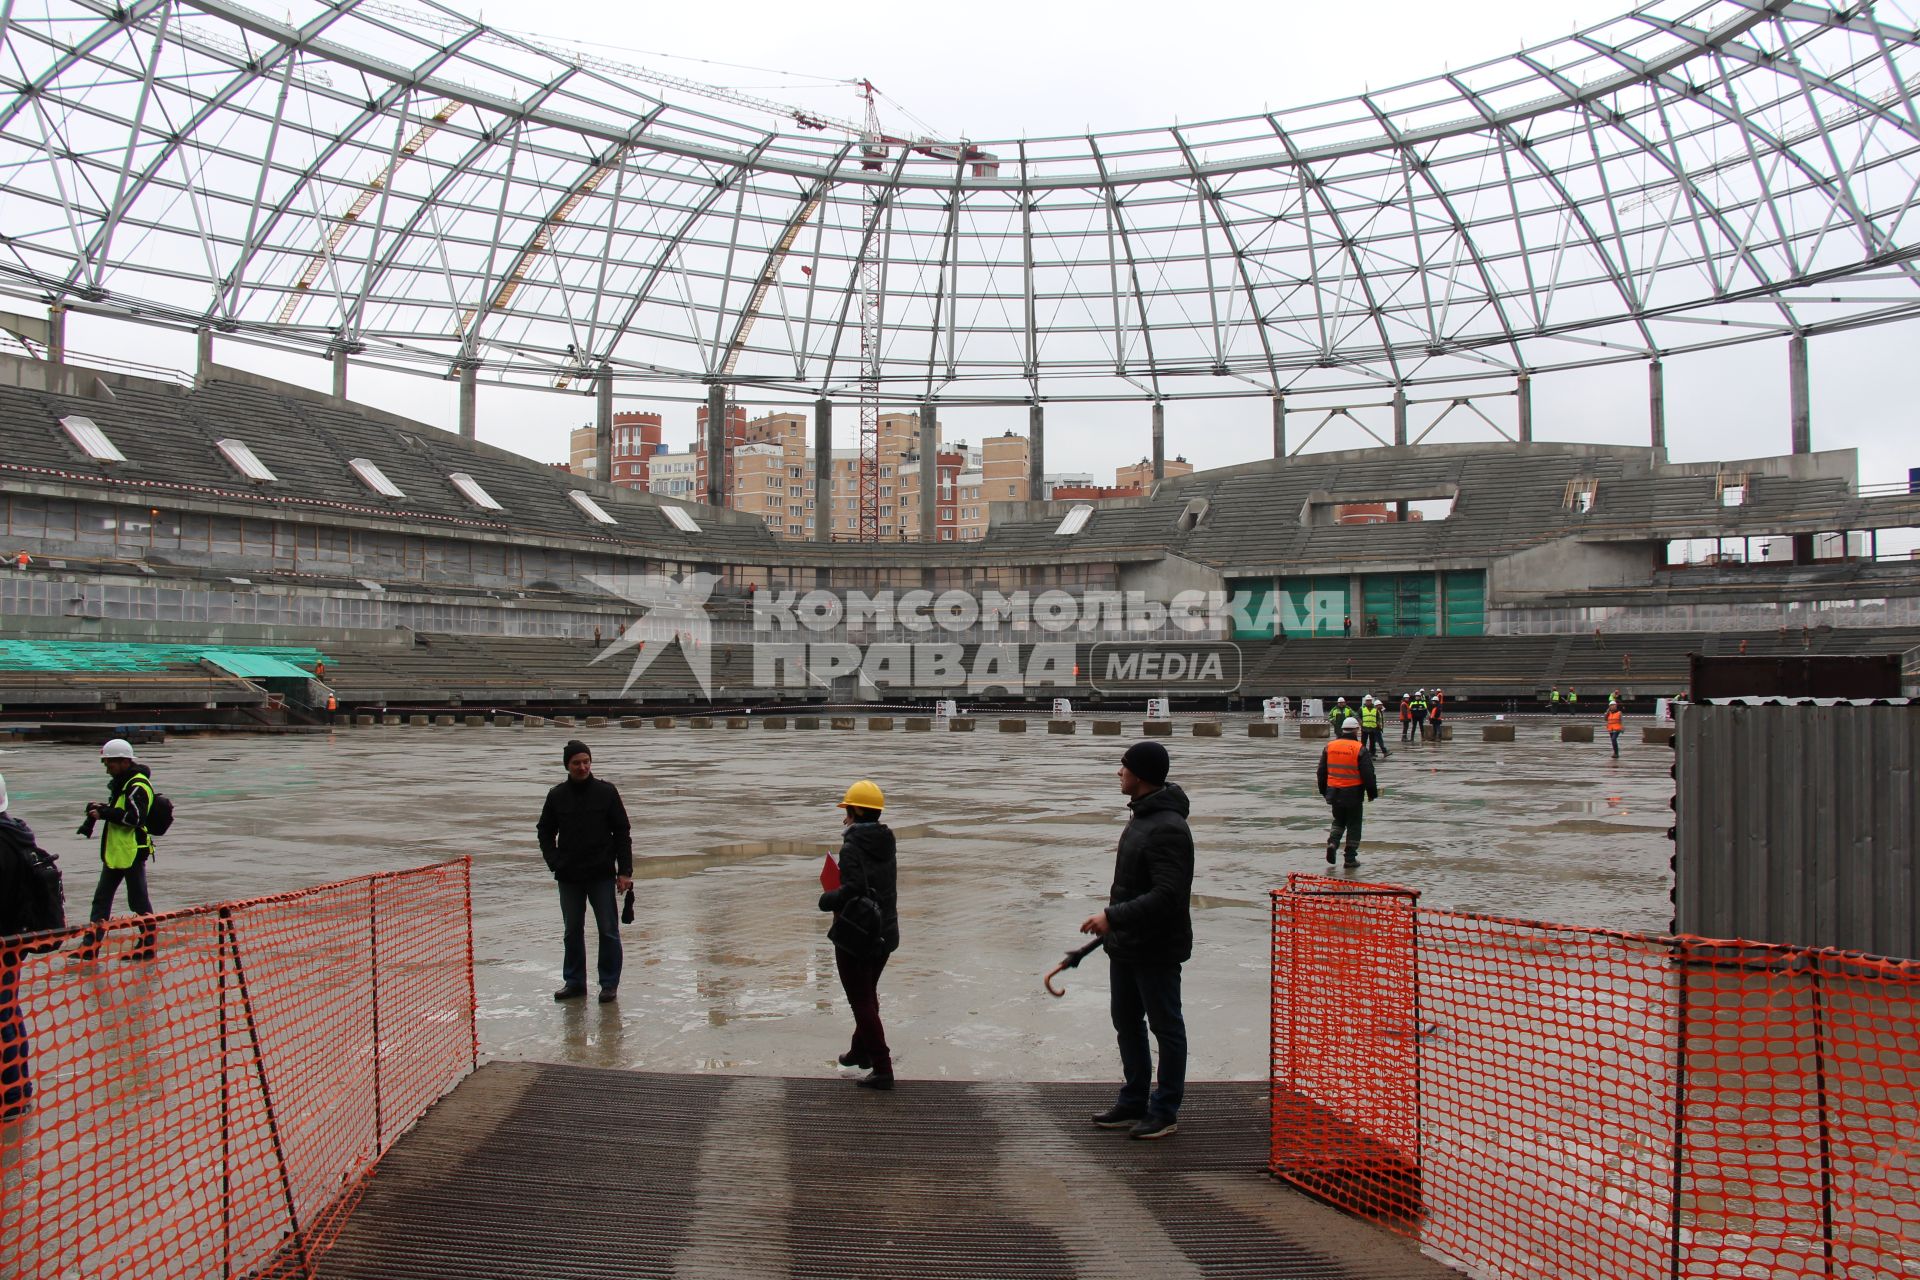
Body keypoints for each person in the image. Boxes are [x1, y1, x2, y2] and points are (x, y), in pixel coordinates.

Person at [1084, 741, 1192, 1141]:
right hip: (1127, 944)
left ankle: (1164, 1110)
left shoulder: (1167, 827)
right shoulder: (1142, 818)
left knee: (1166, 1027)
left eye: (1124, 766)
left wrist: (1111, 917)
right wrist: (1115, 924)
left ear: (1141, 775)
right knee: (1126, 1022)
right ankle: (1133, 1101)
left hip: (1156, 947)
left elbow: (1169, 895)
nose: (1118, 772)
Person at [817, 779, 900, 1091]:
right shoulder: (886, 842)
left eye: (847, 811)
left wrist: (828, 899)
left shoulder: (852, 847)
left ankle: (882, 1067)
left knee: (861, 1000)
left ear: (854, 811)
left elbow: (853, 890)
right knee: (867, 994)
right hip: (886, 933)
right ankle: (860, 1051)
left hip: (858, 935)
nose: (844, 817)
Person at [537, 740, 632, 1004]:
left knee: (608, 930)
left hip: (601, 874)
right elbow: (544, 831)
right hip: (569, 876)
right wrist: (554, 860)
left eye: (586, 762)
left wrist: (625, 871)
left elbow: (622, 832)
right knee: (572, 931)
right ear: (567, 766)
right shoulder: (556, 796)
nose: (582, 767)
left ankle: (609, 984)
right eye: (576, 763)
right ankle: (575, 982)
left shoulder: (607, 792)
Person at [71, 739, 157, 961]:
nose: (106, 767)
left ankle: (148, 945)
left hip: (132, 851)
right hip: (116, 852)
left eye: (109, 762)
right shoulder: (123, 783)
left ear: (124, 761)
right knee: (101, 900)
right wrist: (103, 808)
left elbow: (135, 818)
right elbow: (121, 811)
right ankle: (90, 946)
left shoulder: (137, 785)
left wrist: (105, 813)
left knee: (138, 901)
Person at [1, 772, 45, 1120]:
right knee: (9, 1012)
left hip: (3, 940)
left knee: (4, 1016)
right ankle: (18, 1091)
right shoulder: (17, 834)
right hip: (14, 940)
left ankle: (11, 1095)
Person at [1317, 718, 1379, 867]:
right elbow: (1368, 774)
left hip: (1334, 792)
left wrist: (1324, 791)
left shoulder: (1330, 747)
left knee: (1338, 821)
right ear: (1356, 730)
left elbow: (1321, 771)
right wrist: (1372, 793)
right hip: (1353, 793)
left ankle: (1332, 843)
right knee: (1354, 824)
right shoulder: (1359, 748)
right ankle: (1350, 858)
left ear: (1343, 730)